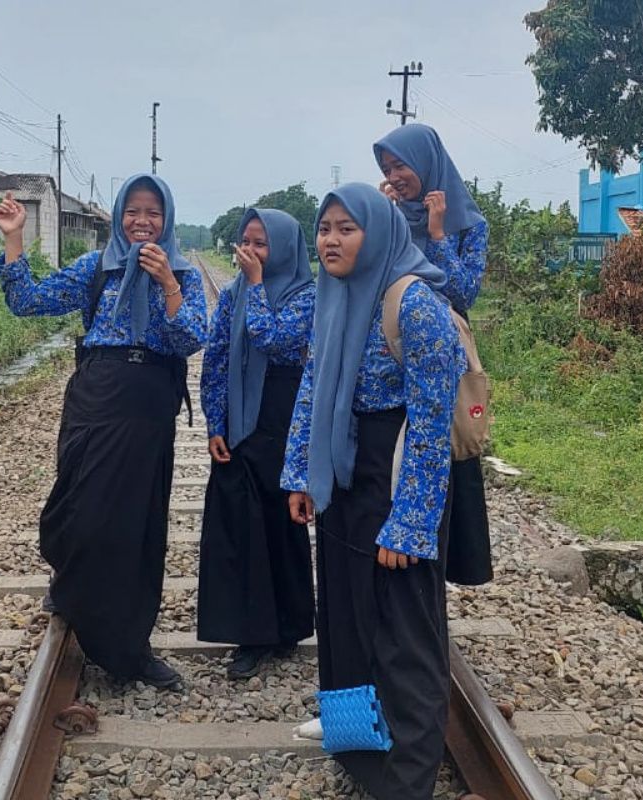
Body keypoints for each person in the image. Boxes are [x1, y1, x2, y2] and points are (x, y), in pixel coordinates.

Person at [282, 184, 466, 800]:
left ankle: (408, 776)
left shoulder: (415, 303)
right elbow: (314, 383)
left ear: (379, 233)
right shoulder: (334, 295)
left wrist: (411, 521)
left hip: (395, 471)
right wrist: (302, 475)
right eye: (325, 228)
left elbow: (433, 420)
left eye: (346, 228)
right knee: (347, 614)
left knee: (402, 628)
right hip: (345, 471)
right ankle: (358, 742)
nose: (331, 240)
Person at [0, 175, 206, 689]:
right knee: (76, 508)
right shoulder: (97, 268)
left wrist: (167, 286)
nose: (142, 222)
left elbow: (191, 338)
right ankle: (72, 585)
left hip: (147, 402)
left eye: (153, 213)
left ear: (167, 219)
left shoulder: (182, 274)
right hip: (94, 392)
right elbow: (29, 302)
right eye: (133, 211)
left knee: (133, 523)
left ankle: (126, 646)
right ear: (117, 216)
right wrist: (14, 238)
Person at [197, 208, 316, 679]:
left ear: (284, 247)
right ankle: (250, 634)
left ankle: (286, 627)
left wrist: (256, 284)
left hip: (283, 419)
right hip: (241, 422)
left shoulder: (309, 295)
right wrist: (215, 423)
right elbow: (217, 356)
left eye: (261, 243)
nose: (250, 251)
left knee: (281, 526)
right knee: (238, 529)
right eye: (245, 242)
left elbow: (276, 339)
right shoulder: (232, 295)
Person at [375, 123, 493, 586]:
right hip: (388, 357)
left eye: (401, 164)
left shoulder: (469, 224)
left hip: (440, 359)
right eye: (387, 168)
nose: (395, 175)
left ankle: (432, 577)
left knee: (437, 454)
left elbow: (464, 291)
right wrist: (380, 220)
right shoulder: (386, 217)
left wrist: (438, 233)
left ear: (427, 162)